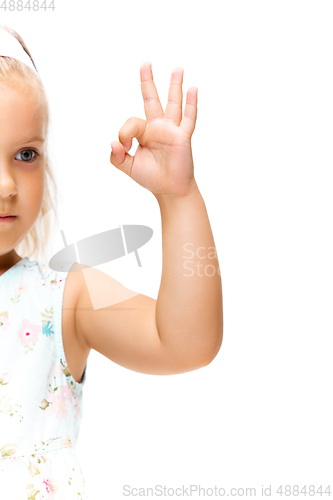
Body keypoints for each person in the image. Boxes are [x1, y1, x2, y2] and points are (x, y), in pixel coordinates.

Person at [0, 24, 223, 498]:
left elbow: (187, 342)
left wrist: (179, 198)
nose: (6, 185)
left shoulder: (64, 298)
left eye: (25, 154)